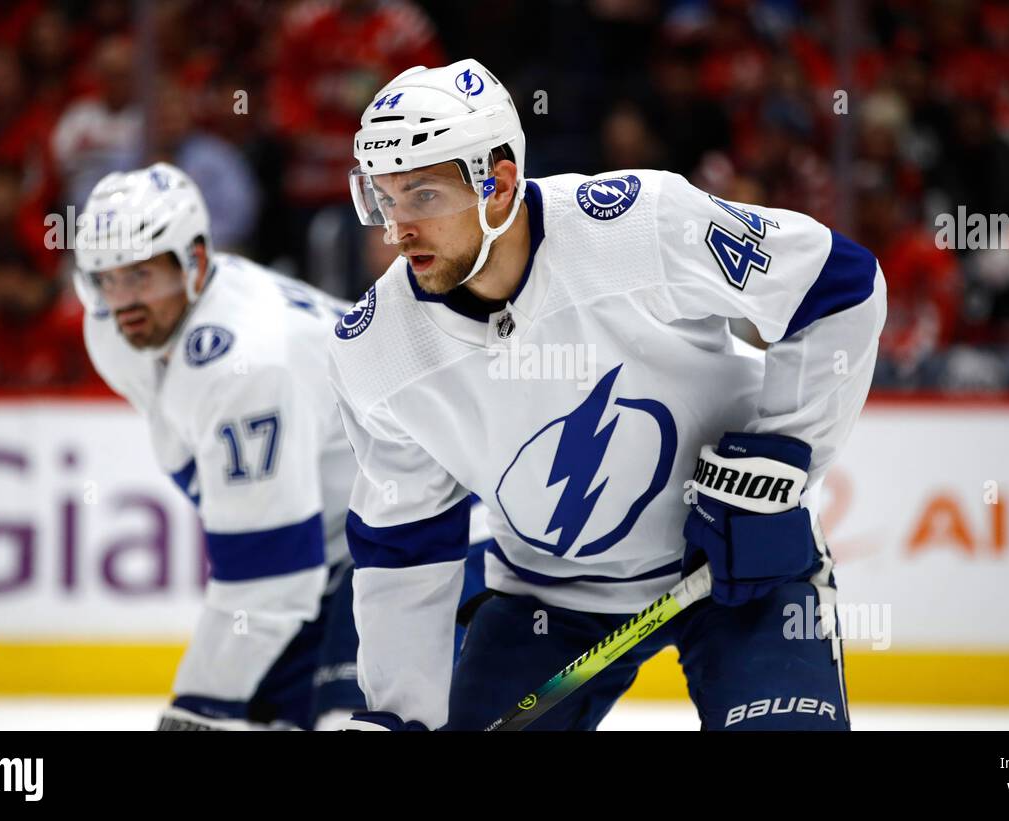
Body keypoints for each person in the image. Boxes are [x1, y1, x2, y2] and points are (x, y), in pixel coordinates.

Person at [327, 59, 887, 731]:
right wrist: (397, 714)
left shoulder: (637, 226)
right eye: (383, 198)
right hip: (544, 600)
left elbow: (838, 285)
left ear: (498, 184)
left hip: (735, 566)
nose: (396, 229)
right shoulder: (375, 350)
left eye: (422, 196)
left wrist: (785, 455)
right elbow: (404, 545)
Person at [75, 162, 366, 729]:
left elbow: (272, 574)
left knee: (348, 723)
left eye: (141, 275)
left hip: (426, 532)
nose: (123, 300)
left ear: (196, 262)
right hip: (332, 550)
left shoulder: (247, 364)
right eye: (106, 278)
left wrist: (202, 703)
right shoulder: (112, 327)